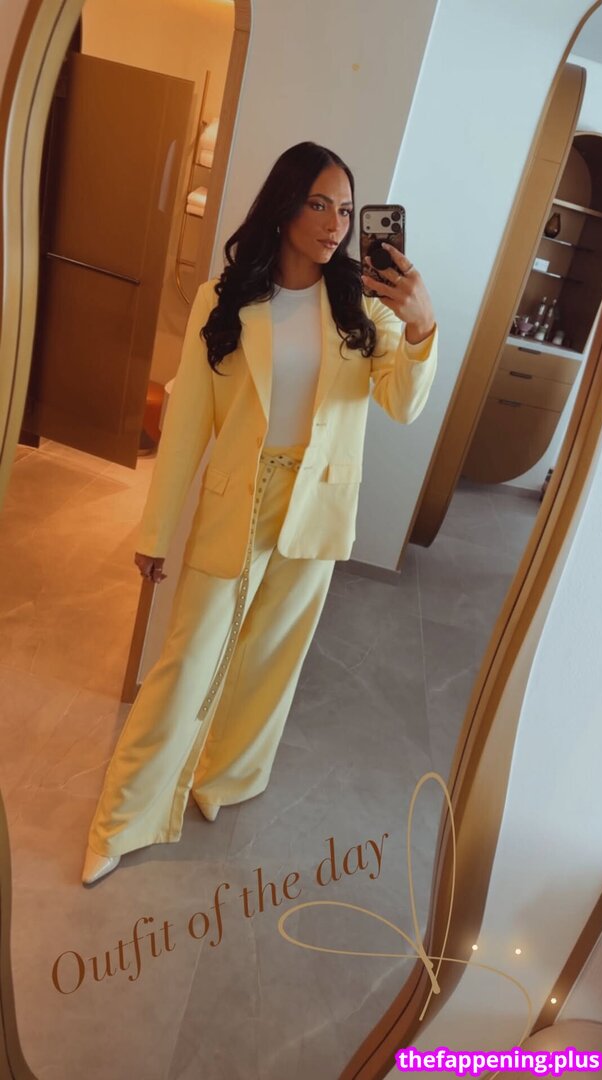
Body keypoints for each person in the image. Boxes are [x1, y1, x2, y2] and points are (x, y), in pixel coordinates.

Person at [82, 141, 438, 885]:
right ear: (284, 206)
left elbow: (402, 405)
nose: (336, 224)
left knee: (272, 659)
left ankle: (224, 779)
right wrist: (155, 531)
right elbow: (187, 427)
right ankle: (123, 817)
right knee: (188, 663)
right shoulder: (224, 299)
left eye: (346, 209)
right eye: (319, 204)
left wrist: (420, 327)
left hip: (318, 504)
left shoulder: (364, 304)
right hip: (238, 500)